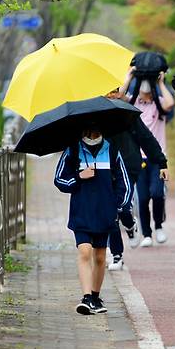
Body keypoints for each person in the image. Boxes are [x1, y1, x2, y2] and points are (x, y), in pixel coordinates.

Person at [54, 124, 131, 315]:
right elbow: (59, 179)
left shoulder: (112, 150)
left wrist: (119, 206)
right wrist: (79, 177)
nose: (95, 131)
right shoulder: (73, 150)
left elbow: (124, 182)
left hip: (105, 213)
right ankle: (86, 298)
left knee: (100, 257)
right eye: (92, 127)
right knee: (85, 252)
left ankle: (95, 297)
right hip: (81, 213)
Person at [106, 89, 168, 270]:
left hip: (129, 166)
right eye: (107, 92)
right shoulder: (95, 113)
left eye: (114, 92)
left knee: (122, 207)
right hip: (105, 168)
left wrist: (161, 162)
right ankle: (117, 255)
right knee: (110, 212)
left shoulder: (127, 112)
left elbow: (145, 138)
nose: (111, 96)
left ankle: (131, 224)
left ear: (119, 93)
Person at [120, 67, 175, 247]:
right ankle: (147, 233)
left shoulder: (158, 104)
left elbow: (170, 103)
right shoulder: (133, 102)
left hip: (157, 157)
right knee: (142, 197)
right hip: (139, 157)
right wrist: (129, 77)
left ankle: (158, 225)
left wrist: (160, 82)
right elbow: (119, 97)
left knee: (157, 193)